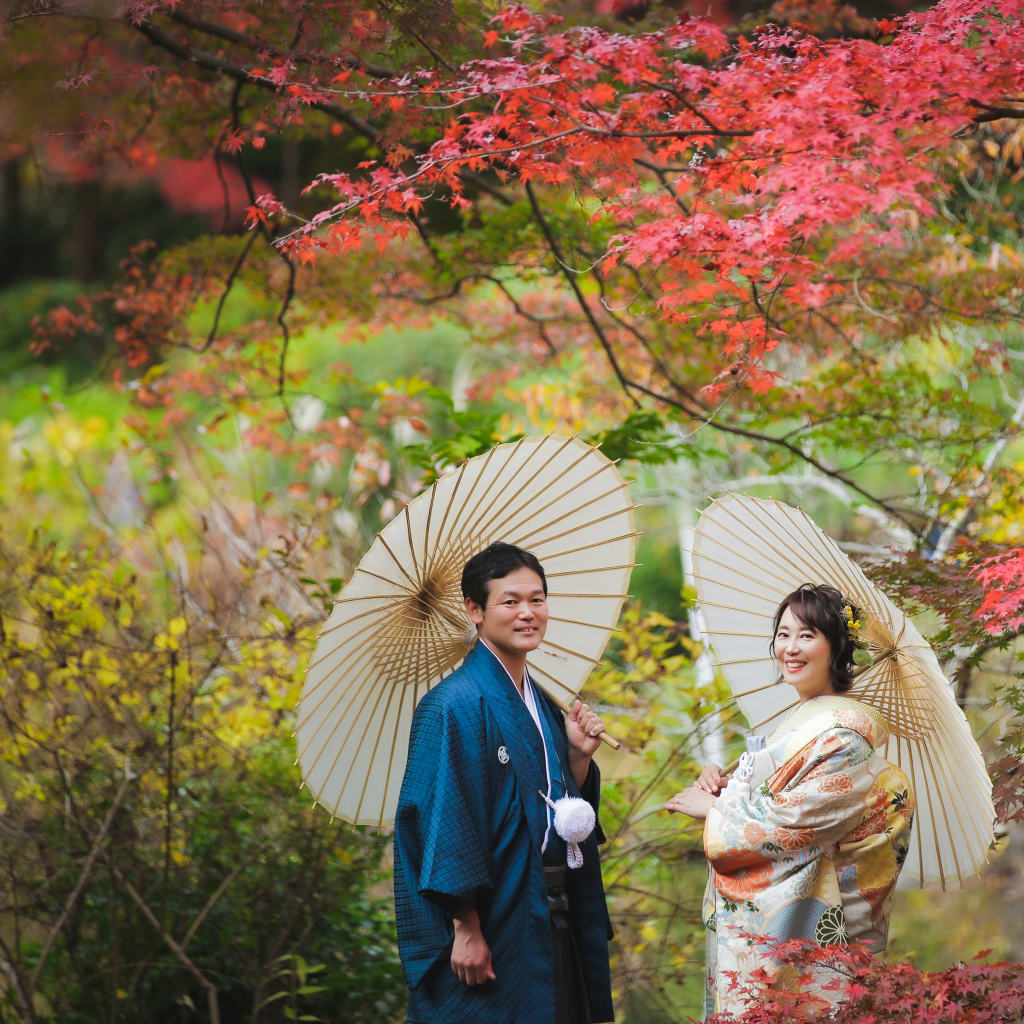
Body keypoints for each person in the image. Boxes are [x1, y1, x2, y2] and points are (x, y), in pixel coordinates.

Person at [666, 583, 915, 1018]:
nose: (790, 648)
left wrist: (717, 812)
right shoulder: (805, 723)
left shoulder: (845, 737)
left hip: (827, 943)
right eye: (783, 634)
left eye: (807, 635)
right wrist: (730, 788)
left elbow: (797, 823)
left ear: (837, 646)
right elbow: (782, 799)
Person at [393, 541, 615, 1024]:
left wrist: (576, 759)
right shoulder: (451, 705)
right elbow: (445, 820)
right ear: (475, 610)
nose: (527, 613)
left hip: (550, 909)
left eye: (537, 599)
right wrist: (465, 925)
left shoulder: (543, 702)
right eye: (510, 601)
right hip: (495, 918)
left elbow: (555, 805)